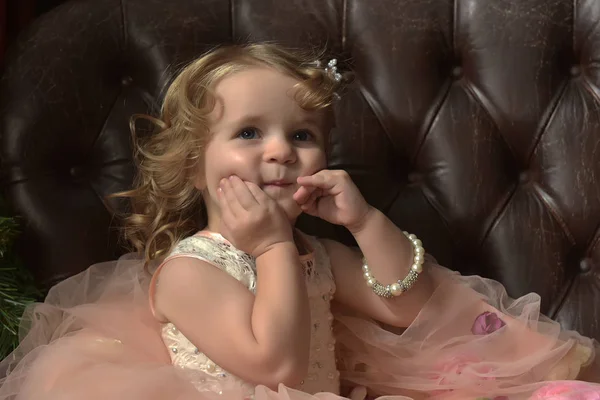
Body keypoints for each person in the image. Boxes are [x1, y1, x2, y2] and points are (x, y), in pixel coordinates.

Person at [0, 43, 599, 400]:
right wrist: (269, 247)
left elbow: (409, 303)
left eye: (303, 135)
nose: (282, 151)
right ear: (192, 165)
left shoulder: (316, 253)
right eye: (249, 133)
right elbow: (277, 368)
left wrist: (363, 223)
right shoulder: (189, 271)